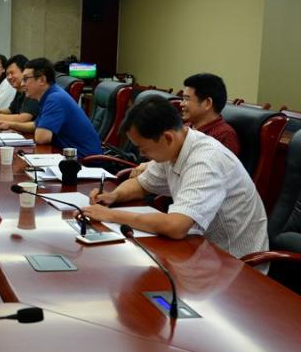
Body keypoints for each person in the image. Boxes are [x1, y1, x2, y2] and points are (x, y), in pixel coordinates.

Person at [82, 96, 268, 259]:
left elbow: (176, 227)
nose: (142, 155)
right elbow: (141, 184)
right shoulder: (175, 146)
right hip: (198, 248)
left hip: (233, 263)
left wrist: (111, 215)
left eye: (143, 148)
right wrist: (114, 196)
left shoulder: (205, 162)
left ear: (167, 138)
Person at [129, 72, 240, 178]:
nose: (181, 104)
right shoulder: (186, 126)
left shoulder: (225, 135)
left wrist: (150, 167)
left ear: (207, 103)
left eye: (187, 99)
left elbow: (208, 176)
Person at [16, 58, 101, 156]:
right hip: (68, 155)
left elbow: (42, 138)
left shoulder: (55, 98)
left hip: (85, 161)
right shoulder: (49, 95)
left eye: (25, 79)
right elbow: (37, 125)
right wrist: (9, 125)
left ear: (42, 80)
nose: (22, 84)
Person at [0, 54, 39, 132]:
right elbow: (11, 110)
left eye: (12, 73)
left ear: (24, 71)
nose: (9, 77)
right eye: (7, 74)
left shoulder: (32, 90)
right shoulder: (19, 89)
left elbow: (23, 118)